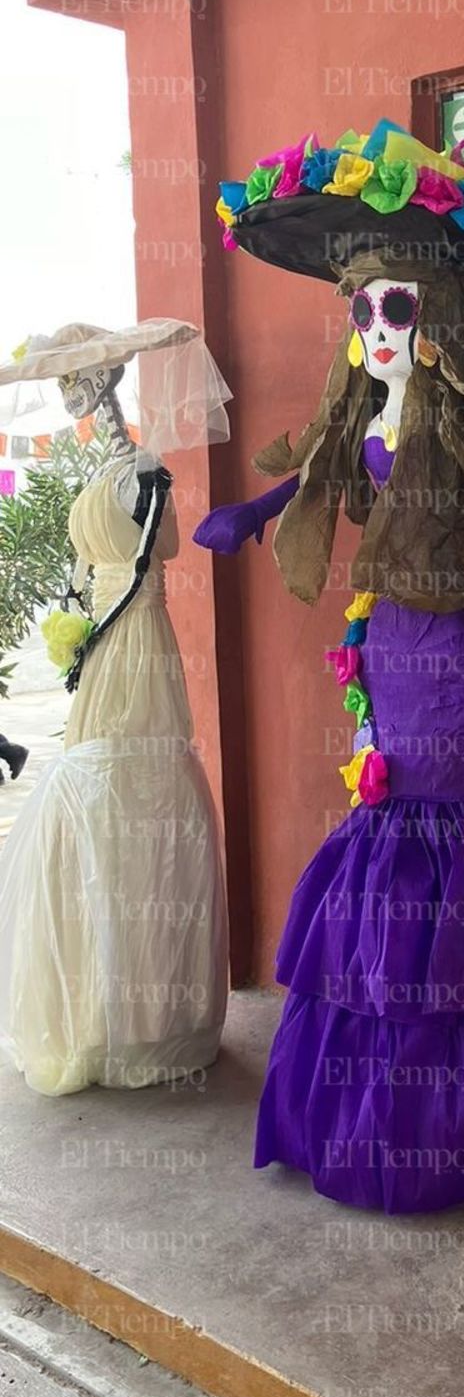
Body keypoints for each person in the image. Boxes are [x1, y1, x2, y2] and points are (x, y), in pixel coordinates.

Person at [198, 123, 464, 1212]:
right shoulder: (361, 407)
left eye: (396, 307)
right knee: (388, 824)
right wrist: (253, 510)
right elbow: (312, 467)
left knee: (448, 834)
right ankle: (374, 1106)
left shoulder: (455, 408)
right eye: (362, 309)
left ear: (433, 316)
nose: (377, 328)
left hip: (454, 655)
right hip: (383, 647)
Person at [0, 321, 232, 1095]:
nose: (73, 403)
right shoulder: (100, 467)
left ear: (104, 387)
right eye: (67, 391)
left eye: (80, 389)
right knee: (95, 803)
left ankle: (153, 1014)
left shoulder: (141, 466)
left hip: (133, 641)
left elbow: (142, 567)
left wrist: (94, 635)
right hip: (99, 644)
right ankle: (103, 1006)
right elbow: (82, 569)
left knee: (139, 789)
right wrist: (67, 634)